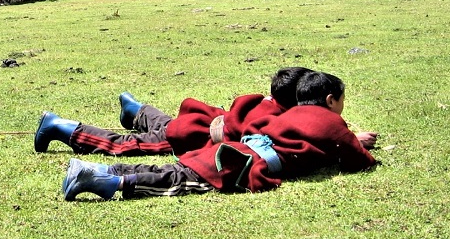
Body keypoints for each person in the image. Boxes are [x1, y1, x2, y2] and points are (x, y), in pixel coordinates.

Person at [61, 69, 378, 201]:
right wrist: (355, 143)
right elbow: (359, 159)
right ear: (330, 101)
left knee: (169, 168)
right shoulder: (332, 125)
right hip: (237, 165)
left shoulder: (288, 113)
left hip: (228, 148)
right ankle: (105, 181)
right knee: (176, 180)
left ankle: (95, 169)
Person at [34, 67, 312, 157]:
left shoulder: (265, 102)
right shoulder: (277, 119)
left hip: (198, 121)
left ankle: (135, 110)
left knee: (164, 123)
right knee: (125, 145)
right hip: (191, 137)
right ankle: (60, 126)